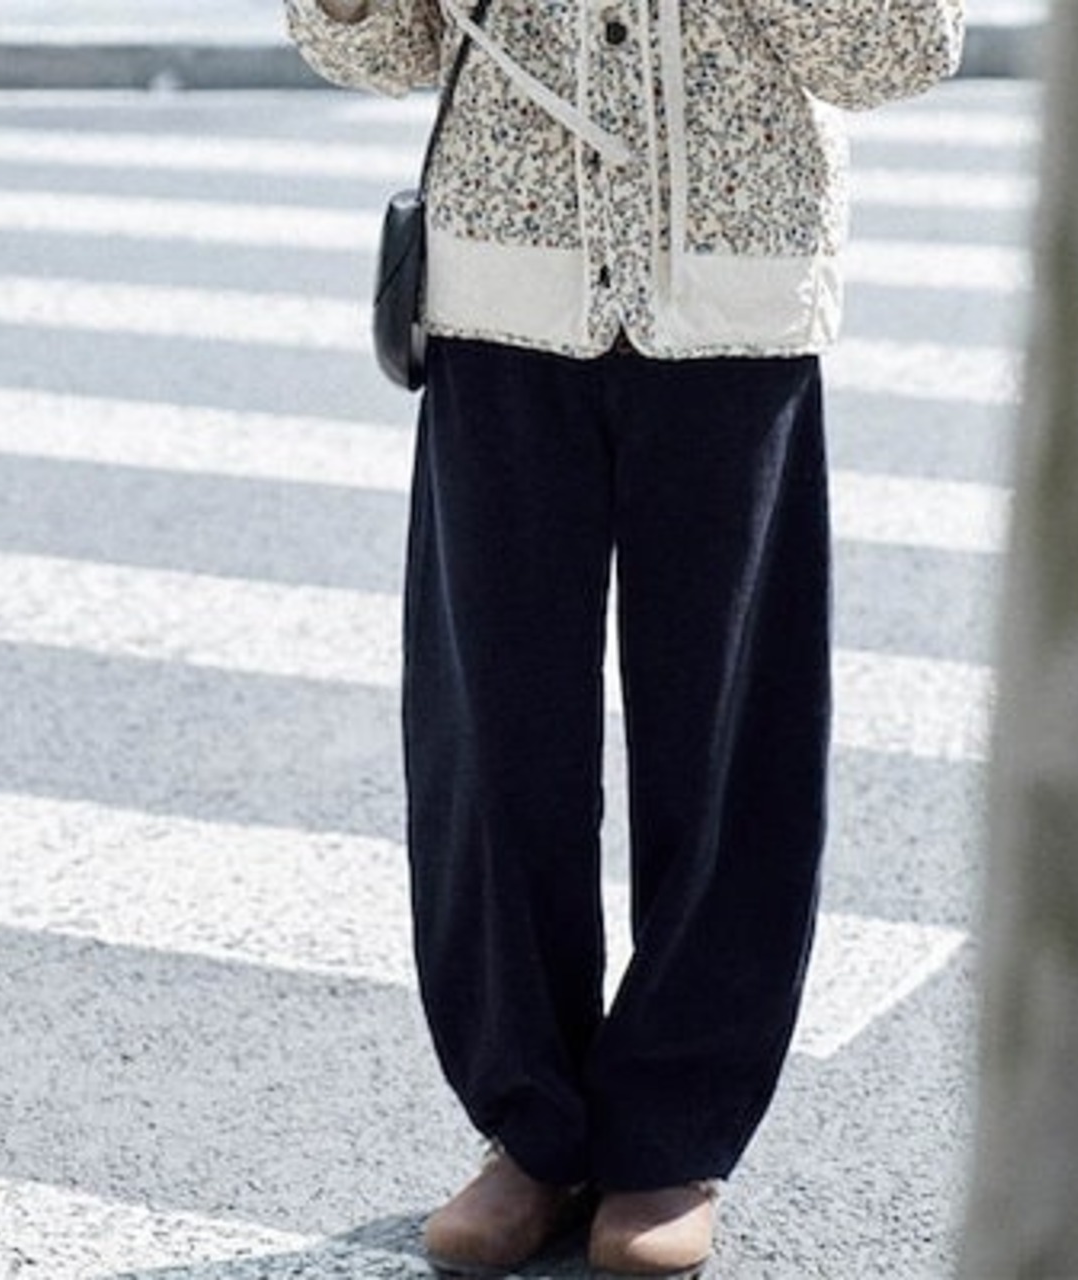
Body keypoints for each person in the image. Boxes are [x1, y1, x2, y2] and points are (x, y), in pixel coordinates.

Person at [285, 2, 965, 1275]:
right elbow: (379, 51)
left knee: (724, 739)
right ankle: (528, 1126)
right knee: (493, 735)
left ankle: (671, 1134)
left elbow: (898, 52)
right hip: (500, 290)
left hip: (731, 290)